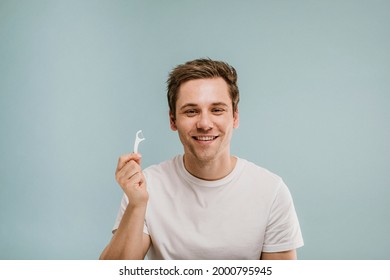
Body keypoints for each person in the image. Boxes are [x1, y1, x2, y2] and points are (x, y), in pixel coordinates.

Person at [100, 58, 304, 260]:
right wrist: (136, 204)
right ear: (173, 120)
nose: (205, 123)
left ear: (235, 117)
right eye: (191, 111)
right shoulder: (146, 187)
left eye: (217, 110)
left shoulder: (271, 192)